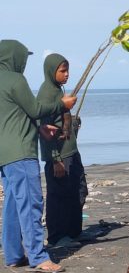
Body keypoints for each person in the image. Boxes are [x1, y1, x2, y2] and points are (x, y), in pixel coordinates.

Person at [1, 40, 76, 273]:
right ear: (14, 58)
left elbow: (15, 116)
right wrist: (60, 104)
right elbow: (34, 109)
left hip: (4, 156)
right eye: (23, 58)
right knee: (32, 204)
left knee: (13, 204)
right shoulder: (15, 79)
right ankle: (38, 257)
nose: (24, 63)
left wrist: (38, 128)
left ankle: (13, 255)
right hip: (22, 152)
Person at [37, 53, 85, 248]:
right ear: (51, 72)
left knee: (78, 190)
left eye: (67, 70)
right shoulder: (47, 94)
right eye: (62, 71)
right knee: (59, 197)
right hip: (59, 155)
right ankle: (57, 237)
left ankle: (72, 233)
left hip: (70, 151)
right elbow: (45, 129)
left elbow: (62, 121)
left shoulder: (58, 91)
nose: (66, 74)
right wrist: (55, 159)